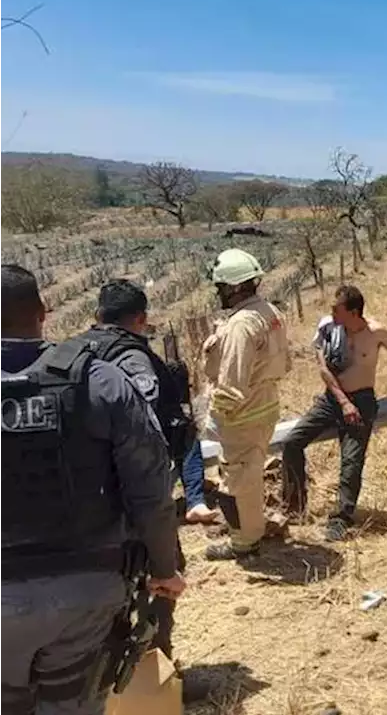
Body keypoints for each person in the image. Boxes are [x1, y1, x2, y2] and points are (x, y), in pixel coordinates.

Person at [0, 264, 185, 715]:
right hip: (85, 594)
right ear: (44, 312)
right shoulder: (97, 380)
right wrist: (165, 567)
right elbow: (150, 485)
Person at [75, 279, 203, 663]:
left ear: (97, 315)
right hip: (130, 498)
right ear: (142, 319)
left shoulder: (71, 351)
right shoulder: (133, 359)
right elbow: (142, 437)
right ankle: (154, 674)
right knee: (159, 583)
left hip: (81, 500)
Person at [281, 284, 387, 542]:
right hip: (333, 398)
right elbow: (323, 369)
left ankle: (341, 518)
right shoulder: (328, 329)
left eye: (337, 309)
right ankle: (294, 507)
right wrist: (343, 402)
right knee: (292, 443)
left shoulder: (376, 332)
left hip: (363, 400)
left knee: (351, 461)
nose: (332, 312)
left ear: (354, 311)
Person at [200, 249, 291, 561]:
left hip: (242, 414)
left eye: (221, 287)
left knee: (240, 481)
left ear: (235, 287)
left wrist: (218, 417)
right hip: (265, 404)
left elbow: (231, 380)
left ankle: (245, 542)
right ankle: (251, 528)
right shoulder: (270, 312)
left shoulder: (241, 323)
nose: (219, 293)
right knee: (250, 474)